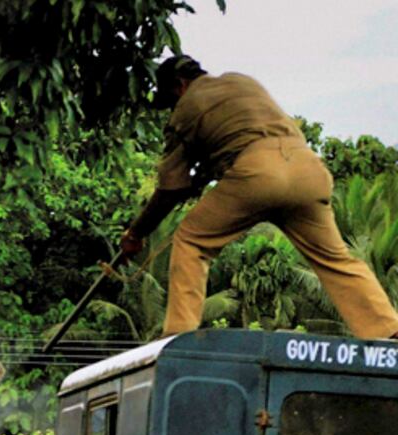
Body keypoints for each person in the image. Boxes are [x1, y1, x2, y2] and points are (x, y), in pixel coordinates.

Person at [120, 55, 398, 341]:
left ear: (180, 85)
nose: (172, 107)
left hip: (257, 175)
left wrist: (136, 234)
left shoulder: (186, 108)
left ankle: (178, 335)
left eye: (170, 99)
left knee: (191, 240)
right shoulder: (242, 81)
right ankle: (387, 328)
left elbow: (171, 187)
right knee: (335, 258)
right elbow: (237, 135)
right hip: (308, 172)